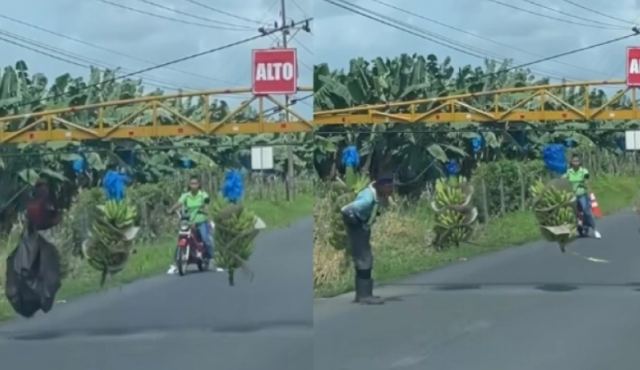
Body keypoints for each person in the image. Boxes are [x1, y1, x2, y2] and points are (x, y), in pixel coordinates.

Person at [341, 175, 394, 305]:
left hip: (363, 229)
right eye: (389, 188)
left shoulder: (375, 195)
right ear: (381, 186)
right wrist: (357, 223)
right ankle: (364, 296)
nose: (391, 191)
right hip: (357, 229)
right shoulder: (367, 198)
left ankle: (365, 294)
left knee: (366, 258)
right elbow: (346, 210)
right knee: (364, 259)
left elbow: (382, 205)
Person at [168, 177, 220, 271]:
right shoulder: (186, 195)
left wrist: (206, 205)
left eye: (195, 183)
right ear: (189, 185)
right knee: (182, 237)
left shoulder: (202, 194)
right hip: (189, 221)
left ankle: (210, 257)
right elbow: (179, 203)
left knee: (205, 239)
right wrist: (171, 209)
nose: (193, 185)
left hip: (201, 221)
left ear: (199, 184)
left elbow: (206, 200)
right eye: (192, 183)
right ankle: (178, 259)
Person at [563, 154, 602, 239]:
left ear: (580, 162)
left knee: (586, 211)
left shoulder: (583, 171)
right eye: (574, 161)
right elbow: (564, 178)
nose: (575, 163)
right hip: (572, 195)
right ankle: (572, 229)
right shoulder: (569, 172)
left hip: (582, 194)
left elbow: (587, 176)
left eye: (577, 161)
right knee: (570, 212)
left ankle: (595, 229)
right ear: (571, 162)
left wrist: (585, 180)